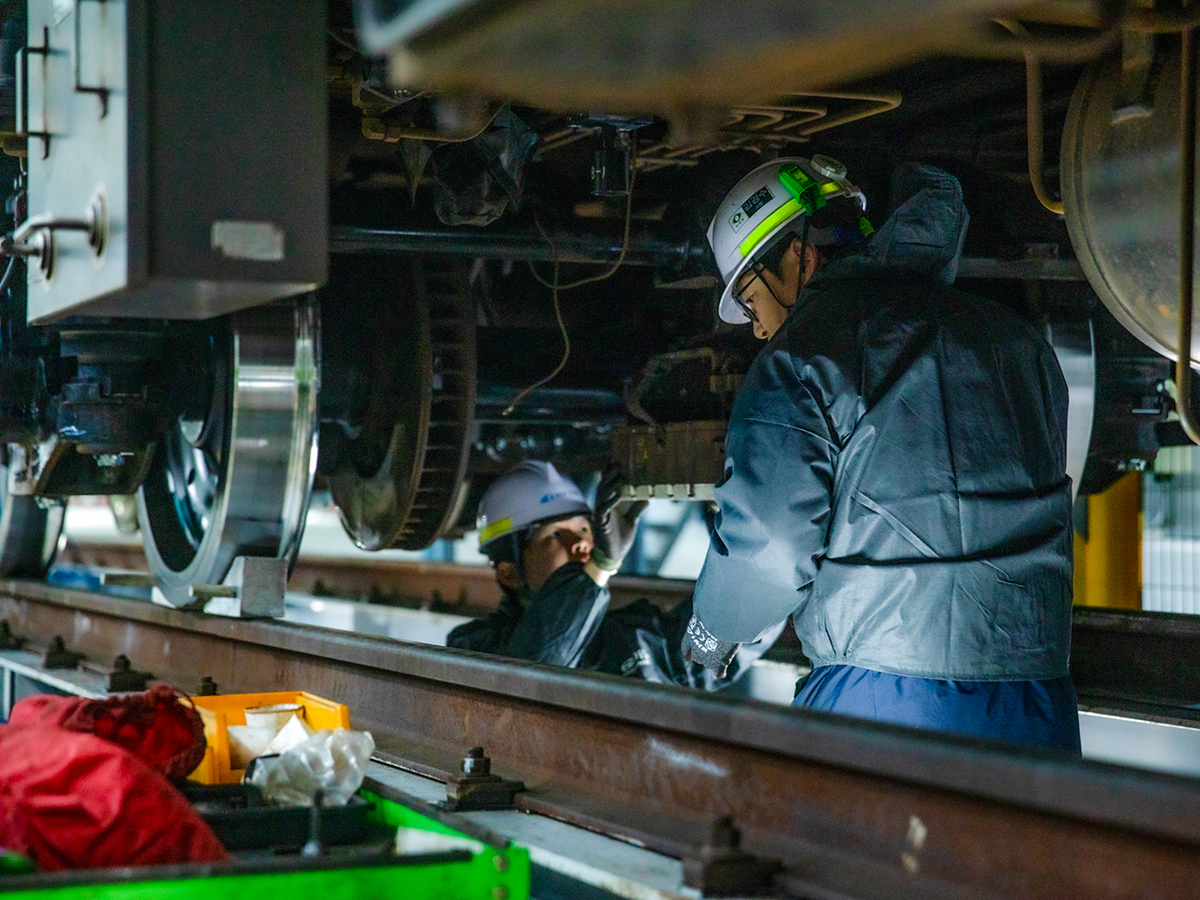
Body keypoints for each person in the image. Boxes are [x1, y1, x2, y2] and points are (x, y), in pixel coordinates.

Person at [681, 156, 1080, 753]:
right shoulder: (1016, 342)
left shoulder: (802, 357)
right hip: (1039, 699)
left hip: (881, 699)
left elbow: (770, 543)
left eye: (749, 295)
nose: (759, 328)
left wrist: (713, 631)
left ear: (797, 254)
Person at [447, 460, 781, 687]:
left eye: (583, 528)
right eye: (555, 535)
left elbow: (714, 652)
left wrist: (736, 524)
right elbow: (535, 671)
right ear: (508, 573)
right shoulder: (474, 649)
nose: (581, 544)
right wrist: (599, 568)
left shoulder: (636, 639)